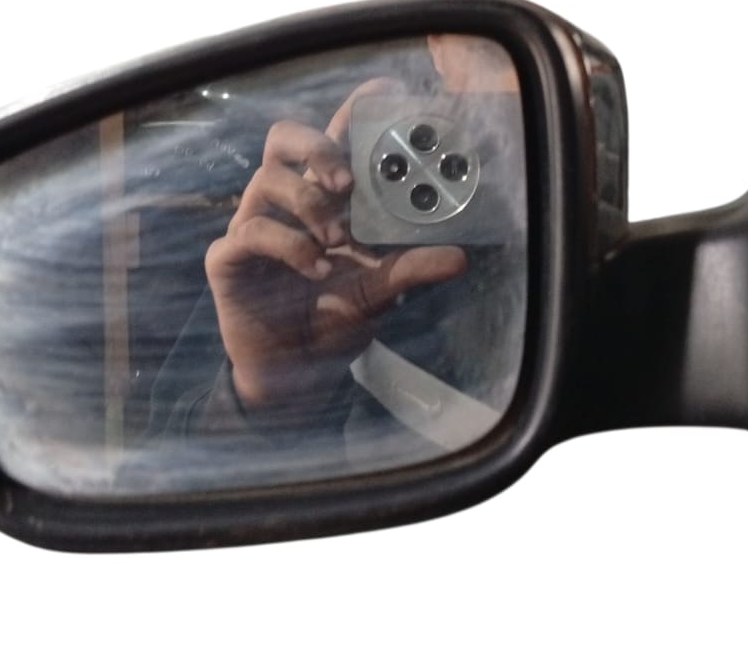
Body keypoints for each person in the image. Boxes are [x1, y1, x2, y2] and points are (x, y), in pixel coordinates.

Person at [150, 34, 526, 481]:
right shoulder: (316, 243)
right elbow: (163, 483)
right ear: (436, 46)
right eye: (492, 53)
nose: (505, 106)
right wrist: (275, 403)